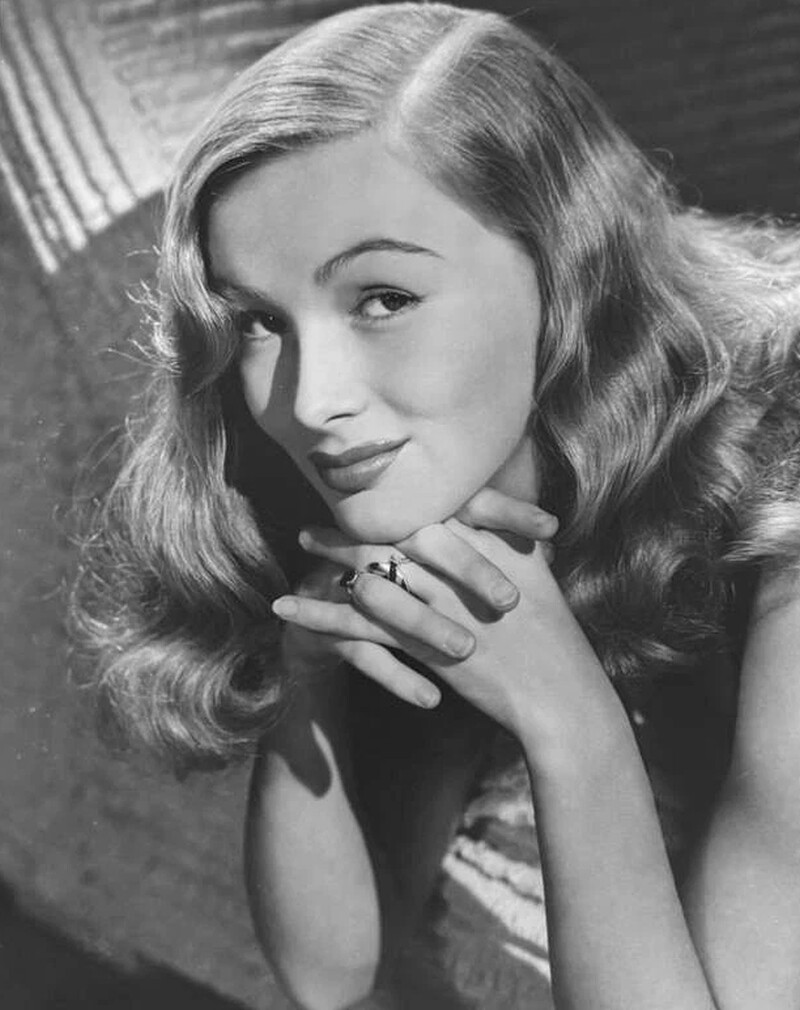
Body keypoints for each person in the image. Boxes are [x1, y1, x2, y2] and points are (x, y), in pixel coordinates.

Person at [71, 3, 800, 1008]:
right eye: (260, 321)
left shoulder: (784, 491)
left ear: (564, 262)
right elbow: (332, 977)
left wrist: (568, 719)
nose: (312, 401)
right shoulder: (432, 488)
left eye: (384, 299)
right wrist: (309, 685)